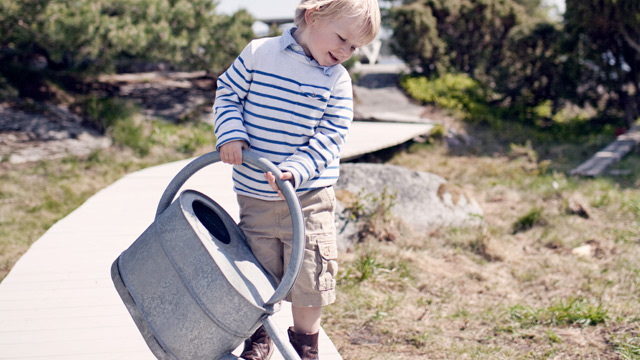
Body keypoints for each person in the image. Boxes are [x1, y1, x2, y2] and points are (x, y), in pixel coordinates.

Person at [213, 0, 380, 358]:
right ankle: (258, 335)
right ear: (312, 16)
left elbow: (332, 135)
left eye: (354, 47)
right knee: (258, 271)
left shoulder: (337, 81)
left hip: (308, 197)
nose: (345, 52)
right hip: (256, 195)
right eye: (342, 39)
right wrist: (230, 134)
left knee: (310, 275)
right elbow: (227, 94)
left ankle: (306, 343)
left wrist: (299, 168)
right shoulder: (260, 53)